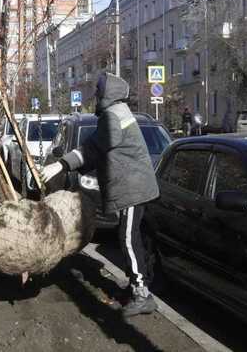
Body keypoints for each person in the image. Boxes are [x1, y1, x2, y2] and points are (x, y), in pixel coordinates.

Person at [41, 72, 160, 317]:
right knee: (130, 237)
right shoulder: (119, 112)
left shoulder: (113, 117)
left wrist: (60, 165)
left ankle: (142, 294)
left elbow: (93, 148)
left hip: (133, 187)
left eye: (98, 93)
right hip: (134, 185)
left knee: (128, 238)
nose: (96, 97)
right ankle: (138, 285)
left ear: (108, 95)